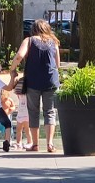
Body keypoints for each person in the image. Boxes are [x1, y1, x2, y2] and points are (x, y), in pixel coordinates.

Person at [9, 19, 61, 152]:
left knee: (33, 112)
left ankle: (35, 144)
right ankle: (49, 144)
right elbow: (58, 64)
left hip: (33, 81)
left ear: (34, 29)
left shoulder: (29, 40)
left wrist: (12, 69)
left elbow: (19, 56)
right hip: (51, 80)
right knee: (50, 112)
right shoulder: (53, 41)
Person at [13, 76, 33, 150]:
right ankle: (19, 142)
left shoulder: (26, 94)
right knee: (20, 129)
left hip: (25, 112)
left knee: (25, 129)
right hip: (22, 112)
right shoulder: (23, 94)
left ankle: (29, 142)